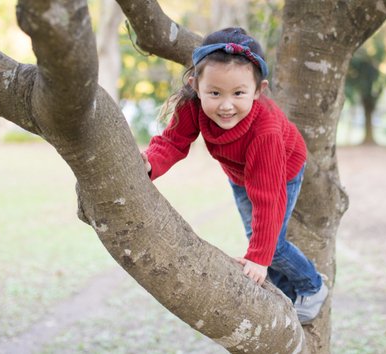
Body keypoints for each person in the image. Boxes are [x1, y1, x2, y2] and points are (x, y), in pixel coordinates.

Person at [139, 27, 328, 324]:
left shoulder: (265, 130)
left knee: (270, 245)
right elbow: (173, 142)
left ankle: (312, 286)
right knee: (257, 239)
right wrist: (150, 163)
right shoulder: (192, 105)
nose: (226, 105)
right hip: (239, 172)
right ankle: (281, 286)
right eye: (214, 93)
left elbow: (269, 199)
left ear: (258, 90)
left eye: (238, 93)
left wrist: (259, 257)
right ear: (195, 85)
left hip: (281, 170)